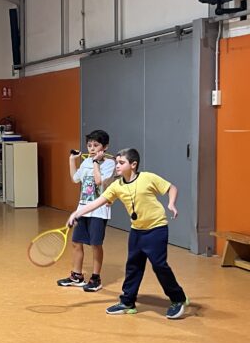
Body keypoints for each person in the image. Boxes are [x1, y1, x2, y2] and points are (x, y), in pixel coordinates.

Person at [68, 148, 189, 318]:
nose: (117, 165)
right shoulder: (117, 186)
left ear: (133, 164)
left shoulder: (147, 178)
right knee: (133, 266)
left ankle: (178, 299)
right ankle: (127, 302)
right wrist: (77, 213)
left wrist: (171, 204)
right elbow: (97, 202)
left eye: (121, 163)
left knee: (159, 265)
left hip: (156, 228)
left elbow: (171, 188)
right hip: (136, 230)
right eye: (117, 162)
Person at [57, 129, 116, 292]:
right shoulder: (86, 162)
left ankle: (96, 278)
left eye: (96, 145)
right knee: (76, 242)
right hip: (83, 209)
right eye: (89, 145)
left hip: (99, 211)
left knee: (96, 244)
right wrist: (71, 160)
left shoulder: (110, 164)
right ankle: (77, 276)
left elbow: (99, 182)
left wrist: (96, 162)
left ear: (105, 147)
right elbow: (75, 179)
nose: (91, 148)